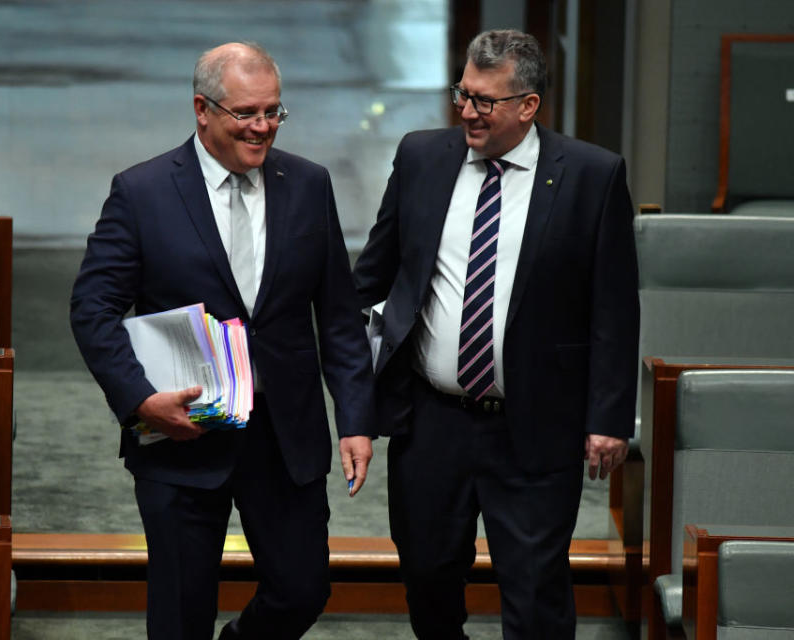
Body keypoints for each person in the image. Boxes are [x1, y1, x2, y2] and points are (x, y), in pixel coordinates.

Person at [70, 42, 376, 640]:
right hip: (182, 432)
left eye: (273, 112)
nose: (262, 128)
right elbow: (92, 308)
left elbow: (338, 314)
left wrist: (356, 419)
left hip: (283, 438)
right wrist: (138, 400)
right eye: (246, 114)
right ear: (201, 109)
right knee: (182, 616)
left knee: (303, 590)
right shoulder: (143, 191)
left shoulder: (308, 184)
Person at [352, 29, 639, 639]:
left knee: (535, 595)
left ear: (527, 106)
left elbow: (613, 308)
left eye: (485, 101)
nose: (467, 111)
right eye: (463, 93)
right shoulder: (421, 157)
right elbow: (371, 275)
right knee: (428, 578)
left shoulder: (592, 175)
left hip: (534, 424)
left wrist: (610, 416)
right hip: (431, 424)